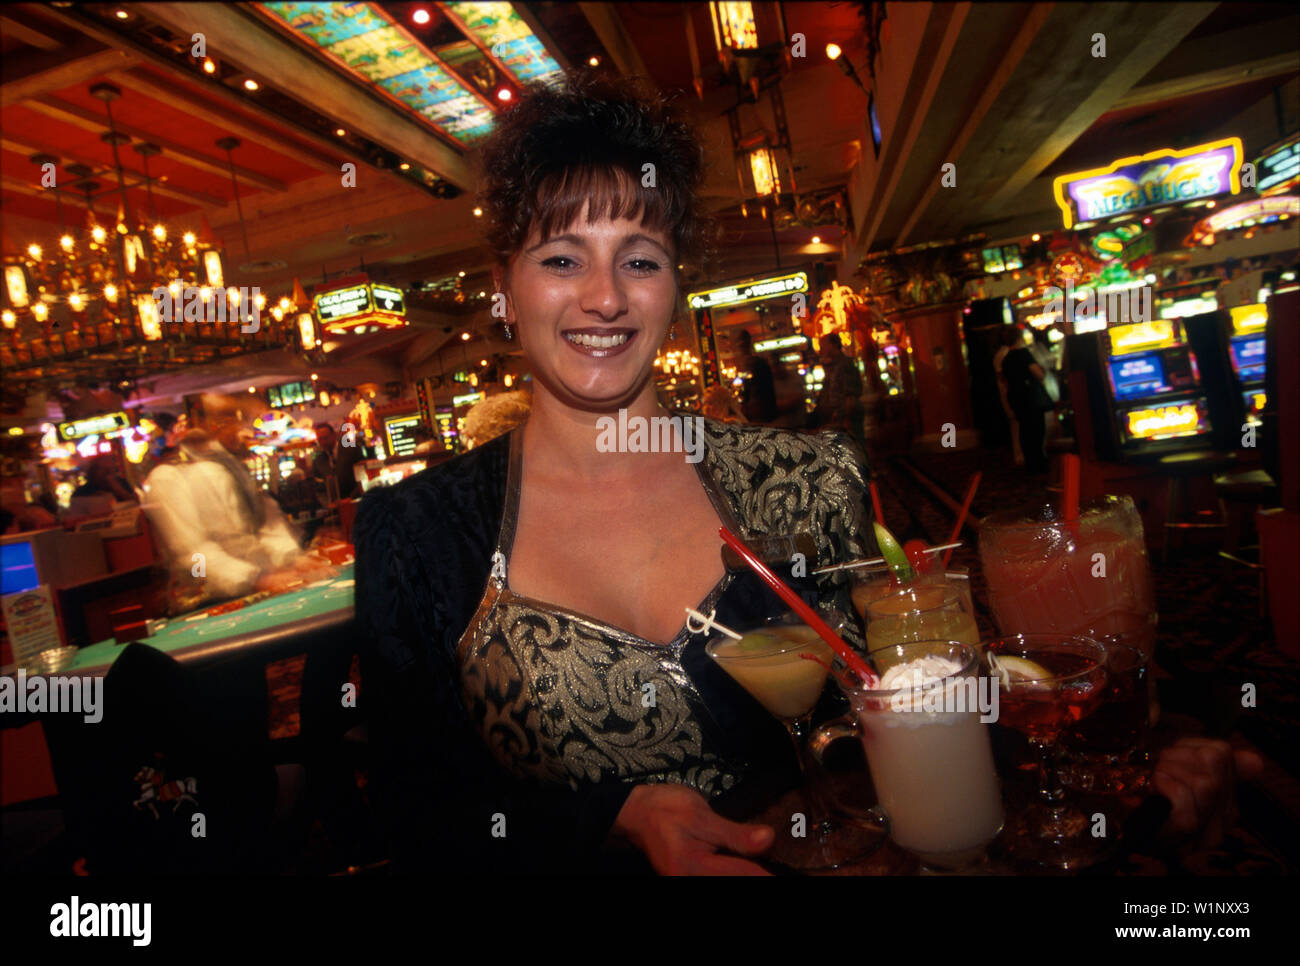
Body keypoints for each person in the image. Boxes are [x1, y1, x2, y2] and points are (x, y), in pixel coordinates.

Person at [353, 73, 1254, 876]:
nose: (604, 296)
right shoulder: (421, 531)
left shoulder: (807, 474)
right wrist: (612, 816)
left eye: (639, 258)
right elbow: (416, 811)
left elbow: (933, 693)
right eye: (560, 259)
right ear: (504, 290)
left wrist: (1138, 742)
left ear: (675, 285)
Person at [142, 427, 329, 600]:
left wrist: (293, 558)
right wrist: (256, 578)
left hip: (253, 585)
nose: (240, 432)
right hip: (201, 598)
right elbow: (194, 554)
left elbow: (261, 526)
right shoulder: (166, 478)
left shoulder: (225, 466)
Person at [1000, 326, 1052, 474]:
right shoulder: (1024, 353)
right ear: (1019, 338)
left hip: (1016, 398)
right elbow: (1038, 374)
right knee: (1037, 430)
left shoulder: (1006, 359)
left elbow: (1004, 380)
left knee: (1025, 430)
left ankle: (1031, 463)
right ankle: (1039, 462)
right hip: (1031, 398)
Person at [811, 333, 864, 443]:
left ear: (833, 345)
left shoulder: (845, 365)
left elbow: (851, 396)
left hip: (844, 423)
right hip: (835, 422)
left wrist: (847, 421)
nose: (820, 350)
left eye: (823, 346)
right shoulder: (833, 366)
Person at [993, 324, 1025, 466]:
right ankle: (1019, 454)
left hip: (1008, 391)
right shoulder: (1005, 354)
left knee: (1016, 423)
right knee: (1017, 423)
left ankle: (1020, 454)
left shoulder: (1001, 353)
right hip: (1009, 392)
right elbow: (1002, 377)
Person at [310, 423, 363, 501]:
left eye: (325, 438)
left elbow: (362, 477)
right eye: (320, 439)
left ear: (334, 435)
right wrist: (328, 504)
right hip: (335, 506)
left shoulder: (352, 450)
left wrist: (351, 498)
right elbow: (319, 489)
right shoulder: (318, 461)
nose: (323, 442)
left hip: (357, 501)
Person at [734, 328, 776, 423]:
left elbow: (753, 389)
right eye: (739, 342)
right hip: (760, 411)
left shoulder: (755, 363)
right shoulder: (746, 364)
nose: (740, 345)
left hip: (762, 411)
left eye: (741, 342)